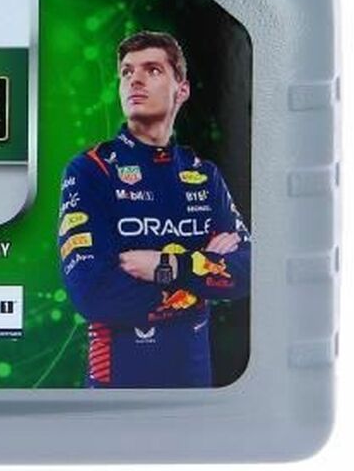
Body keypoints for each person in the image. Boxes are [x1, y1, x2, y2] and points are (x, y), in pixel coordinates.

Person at [58, 31, 250, 387]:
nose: (135, 80)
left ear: (182, 89)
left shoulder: (204, 174)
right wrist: (203, 274)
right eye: (127, 72)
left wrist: (166, 266)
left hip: (197, 390)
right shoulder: (90, 170)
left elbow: (250, 270)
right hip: (115, 393)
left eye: (153, 70)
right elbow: (93, 294)